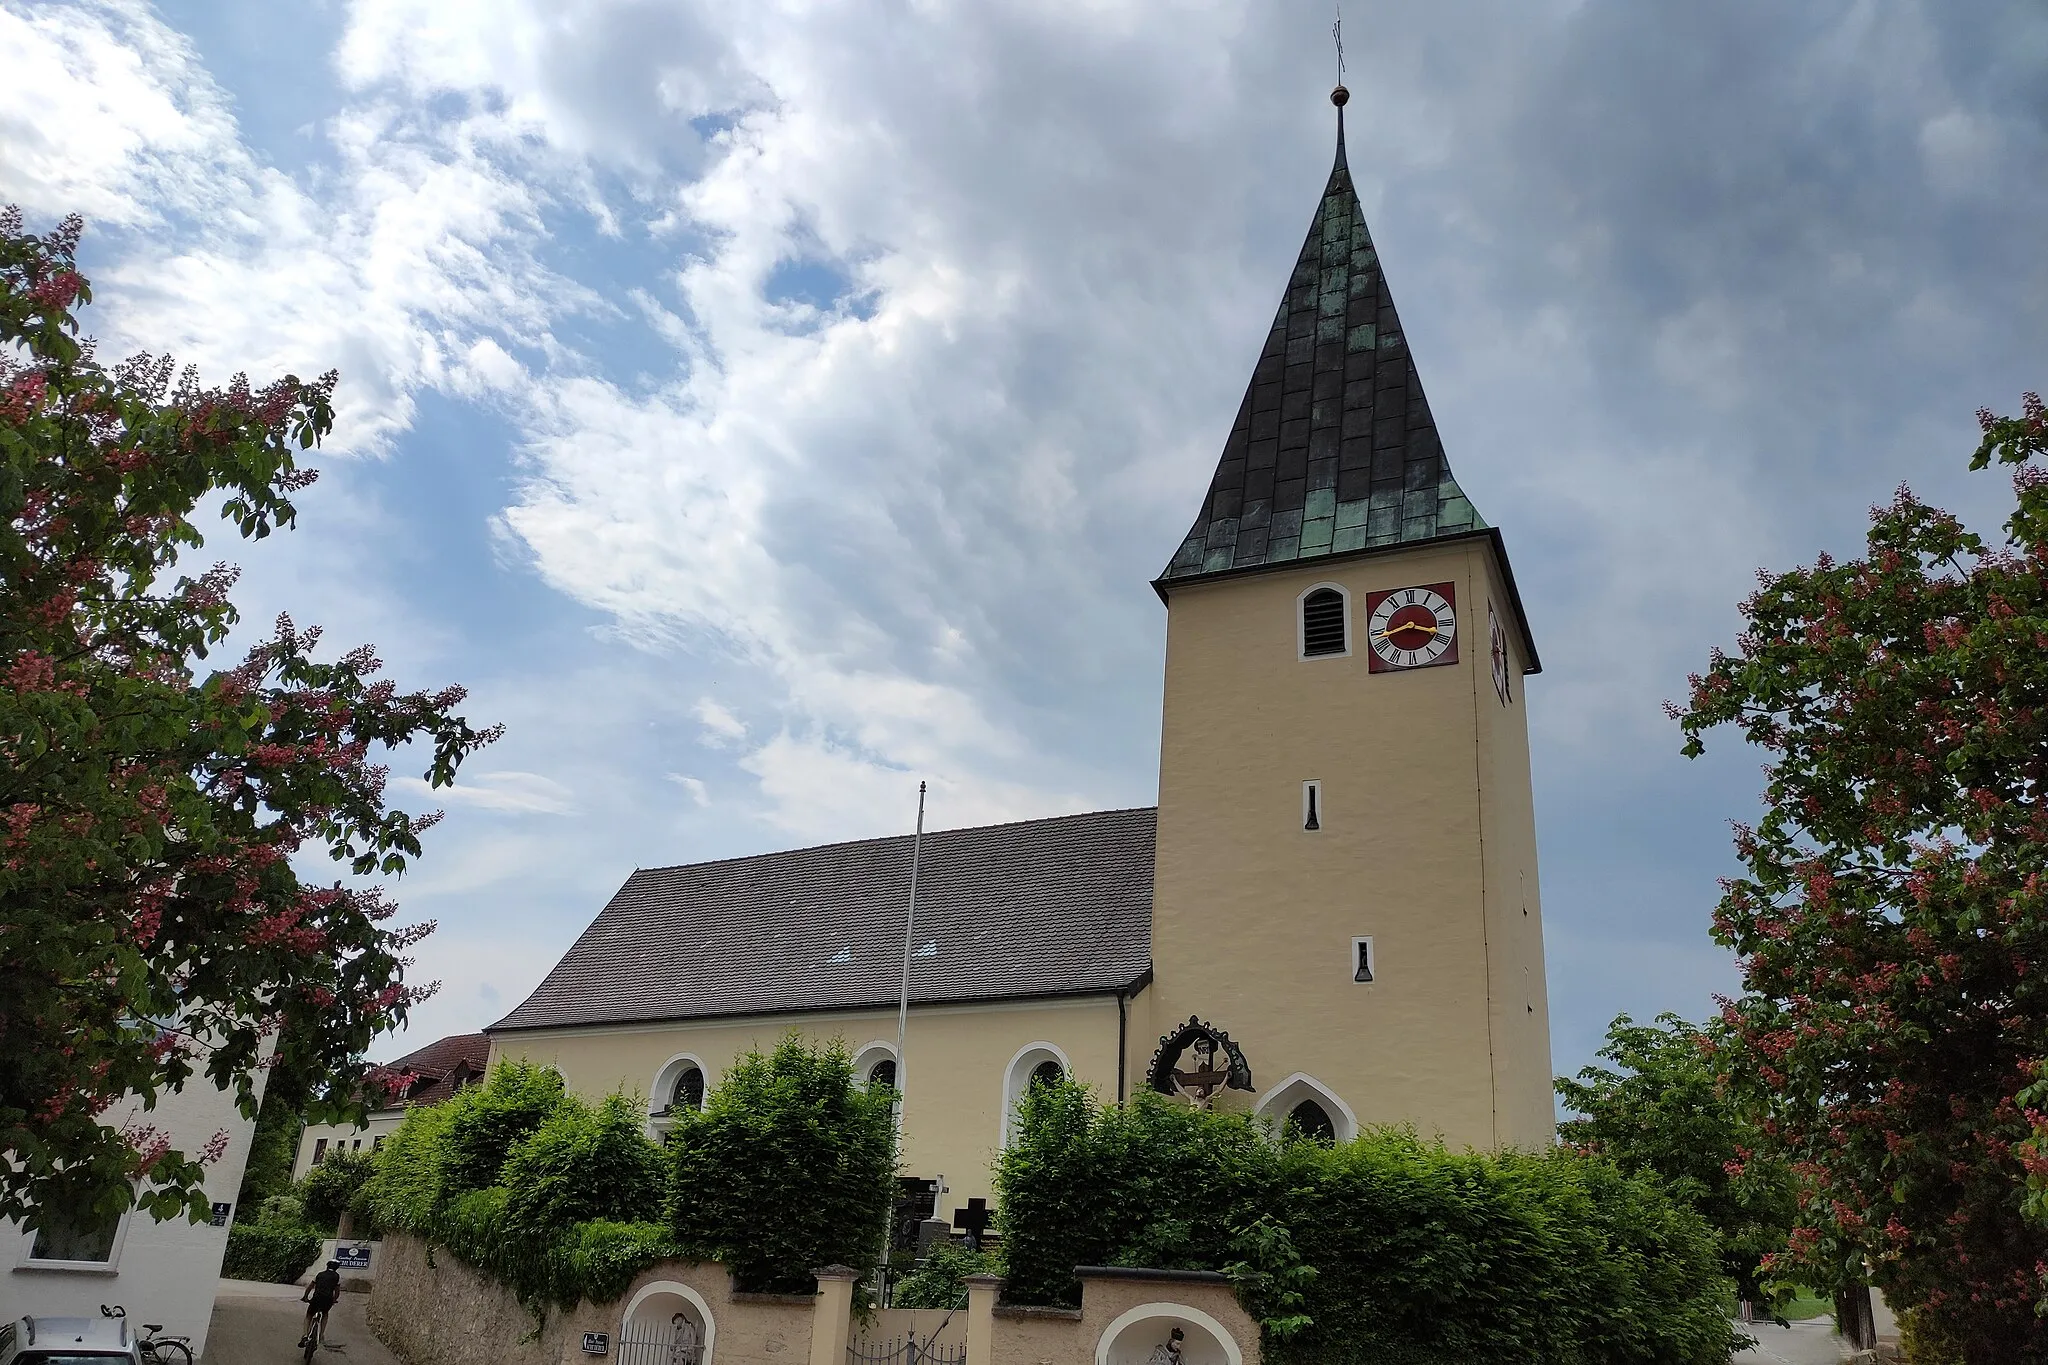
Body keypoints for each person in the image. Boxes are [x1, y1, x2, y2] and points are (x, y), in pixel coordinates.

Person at [300, 1260, 342, 1347]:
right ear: (336, 1268)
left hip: (316, 1298)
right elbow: (337, 1292)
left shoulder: (319, 1274)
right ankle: (321, 1334)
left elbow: (310, 1287)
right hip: (327, 1300)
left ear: (327, 1266)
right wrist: (334, 1299)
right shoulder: (336, 1276)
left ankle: (305, 1335)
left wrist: (305, 1297)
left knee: (309, 1315)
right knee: (325, 1314)